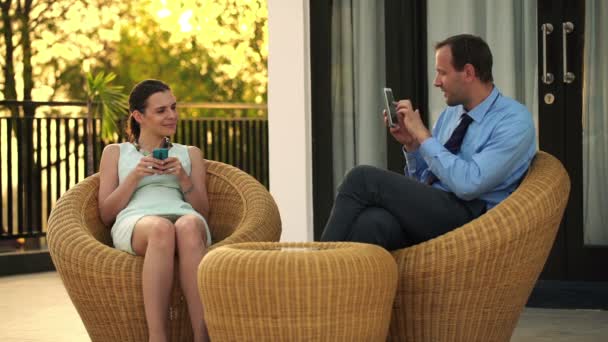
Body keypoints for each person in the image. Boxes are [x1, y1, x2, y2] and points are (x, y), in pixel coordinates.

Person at [320, 34, 536, 250]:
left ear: (468, 73)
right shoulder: (450, 115)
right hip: (438, 210)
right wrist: (413, 146)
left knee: (362, 178)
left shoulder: (514, 120)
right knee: (373, 222)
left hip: (473, 219)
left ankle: (315, 264)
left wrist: (423, 135)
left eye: (442, 73)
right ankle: (339, 281)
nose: (436, 82)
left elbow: (469, 185)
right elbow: (428, 179)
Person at [98, 79, 211, 342]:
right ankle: (157, 338)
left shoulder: (190, 153)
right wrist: (135, 177)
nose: (172, 115)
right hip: (137, 221)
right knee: (162, 229)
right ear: (139, 116)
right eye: (161, 110)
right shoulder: (115, 152)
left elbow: (203, 210)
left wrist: (183, 177)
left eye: (173, 107)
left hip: (184, 214)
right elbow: (106, 213)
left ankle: (202, 336)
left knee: (189, 226)